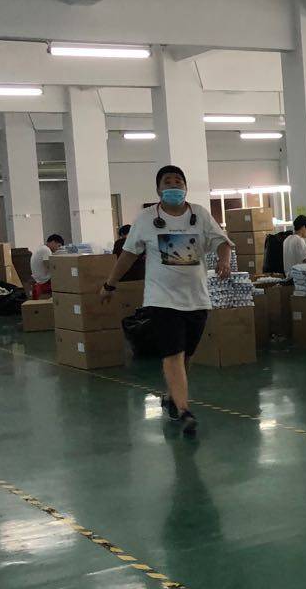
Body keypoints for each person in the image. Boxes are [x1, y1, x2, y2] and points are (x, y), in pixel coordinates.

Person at [99, 165, 232, 438]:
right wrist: (110, 284)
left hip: (196, 299)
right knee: (173, 354)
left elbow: (222, 242)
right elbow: (128, 255)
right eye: (167, 182)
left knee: (187, 355)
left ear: (186, 187)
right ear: (158, 189)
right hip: (161, 299)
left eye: (178, 181)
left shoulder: (200, 215)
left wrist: (224, 260)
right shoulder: (147, 219)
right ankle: (184, 411)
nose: (173, 186)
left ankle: (172, 397)